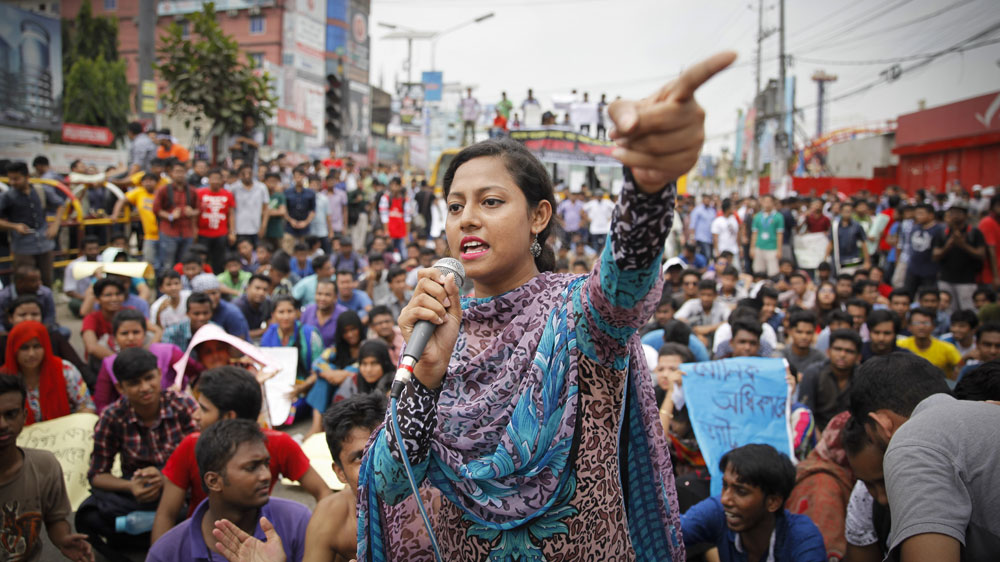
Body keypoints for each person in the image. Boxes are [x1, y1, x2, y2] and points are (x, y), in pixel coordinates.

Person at [357, 52, 734, 560]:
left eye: (490, 202)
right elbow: (387, 482)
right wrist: (427, 377)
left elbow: (624, 281)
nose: (467, 218)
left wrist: (647, 190)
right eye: (454, 206)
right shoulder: (434, 333)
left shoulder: (579, 313)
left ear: (539, 216)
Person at [847, 353, 1000, 562]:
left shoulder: (915, 439)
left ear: (882, 424)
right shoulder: (988, 414)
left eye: (870, 436)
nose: (882, 497)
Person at [151, 367, 329, 543]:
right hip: (203, 541)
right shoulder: (190, 446)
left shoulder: (280, 443)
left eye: (204, 409)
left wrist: (319, 547)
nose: (196, 416)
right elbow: (166, 514)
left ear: (229, 417)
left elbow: (324, 494)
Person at [76, 347, 198, 561]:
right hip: (138, 493)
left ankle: (150, 529)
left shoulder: (183, 405)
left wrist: (164, 477)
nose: (144, 388)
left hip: (180, 490)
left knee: (204, 506)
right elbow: (97, 475)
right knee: (88, 515)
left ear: (160, 375)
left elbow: (203, 459)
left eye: (149, 378)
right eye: (134, 383)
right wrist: (130, 486)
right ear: (120, 387)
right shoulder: (112, 416)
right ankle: (161, 530)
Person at [147, 419, 311, 562]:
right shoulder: (167, 552)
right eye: (251, 467)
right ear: (213, 481)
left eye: (266, 464)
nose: (266, 475)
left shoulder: (297, 522)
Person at [0, 374, 94, 562]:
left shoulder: (45, 466)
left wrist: (63, 539)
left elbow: (55, 519)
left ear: (24, 416)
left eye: (11, 414)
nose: (2, 424)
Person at [680, 444, 826, 562]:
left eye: (741, 491)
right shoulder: (718, 512)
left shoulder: (803, 539)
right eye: (725, 486)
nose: (725, 499)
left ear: (773, 502)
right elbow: (669, 532)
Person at [0, 320, 95, 424]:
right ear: (13, 350)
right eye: (24, 348)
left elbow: (86, 406)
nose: (31, 354)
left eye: (37, 346)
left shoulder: (65, 370)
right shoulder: (3, 379)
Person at [93, 309, 187, 414]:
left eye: (136, 332)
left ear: (145, 333)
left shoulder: (166, 352)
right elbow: (101, 404)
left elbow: (196, 371)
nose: (131, 338)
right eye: (124, 333)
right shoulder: (110, 364)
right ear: (115, 337)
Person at [261, 296, 324, 426]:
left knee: (289, 410)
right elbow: (264, 366)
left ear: (297, 313)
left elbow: (319, 369)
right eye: (281, 312)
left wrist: (301, 387)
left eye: (290, 311)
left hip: (303, 386)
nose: (286, 316)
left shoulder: (310, 334)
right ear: (273, 315)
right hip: (275, 386)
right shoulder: (268, 335)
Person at [0, 162, 62, 287]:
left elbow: (60, 204)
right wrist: (14, 226)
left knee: (46, 280)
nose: (12, 182)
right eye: (10, 179)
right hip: (23, 247)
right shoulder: (7, 196)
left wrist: (55, 225)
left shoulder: (41, 191)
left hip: (45, 244)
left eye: (16, 179)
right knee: (25, 283)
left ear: (27, 176)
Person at [305, 310, 364, 437]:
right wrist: (330, 373)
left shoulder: (367, 346)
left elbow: (364, 368)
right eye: (345, 332)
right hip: (333, 390)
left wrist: (344, 373)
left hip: (357, 391)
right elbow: (317, 362)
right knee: (324, 375)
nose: (350, 334)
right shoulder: (337, 348)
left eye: (353, 329)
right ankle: (316, 426)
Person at [799, 329, 862, 431]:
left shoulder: (862, 377)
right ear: (828, 351)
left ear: (858, 357)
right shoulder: (813, 373)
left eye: (849, 351)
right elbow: (806, 413)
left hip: (851, 435)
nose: (842, 355)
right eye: (838, 349)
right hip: (816, 433)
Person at [932, 202, 985, 313]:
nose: (955, 215)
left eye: (958, 213)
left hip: (967, 281)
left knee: (968, 310)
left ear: (965, 216)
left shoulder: (974, 233)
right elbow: (935, 256)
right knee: (947, 311)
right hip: (945, 279)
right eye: (952, 213)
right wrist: (948, 245)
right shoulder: (942, 233)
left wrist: (963, 245)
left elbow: (981, 255)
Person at [154, 161, 200, 269]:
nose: (179, 174)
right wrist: (170, 216)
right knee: (167, 263)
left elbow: (199, 209)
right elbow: (156, 209)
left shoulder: (192, 191)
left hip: (187, 232)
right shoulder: (164, 190)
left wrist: (192, 212)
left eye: (182, 172)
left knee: (184, 263)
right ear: (171, 173)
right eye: (177, 172)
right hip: (169, 231)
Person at [112, 172, 161, 270]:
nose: (148, 183)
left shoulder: (161, 192)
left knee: (164, 263)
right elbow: (122, 200)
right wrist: (115, 214)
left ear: (156, 182)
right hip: (149, 235)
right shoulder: (139, 192)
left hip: (165, 235)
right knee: (149, 263)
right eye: (145, 181)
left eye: (151, 181)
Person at [896, 307, 961, 379]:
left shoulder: (947, 348)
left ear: (933, 326)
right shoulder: (900, 346)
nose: (921, 327)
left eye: (926, 323)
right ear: (909, 326)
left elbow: (960, 366)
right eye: (916, 323)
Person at [196, 169, 237, 274]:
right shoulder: (200, 193)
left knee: (219, 261)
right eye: (213, 178)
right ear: (208, 180)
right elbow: (195, 213)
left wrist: (232, 232)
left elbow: (231, 214)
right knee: (201, 259)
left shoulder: (228, 194)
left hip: (221, 233)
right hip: (203, 233)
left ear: (222, 180)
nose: (215, 181)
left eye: (218, 179)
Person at [190, 274, 251, 341]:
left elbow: (239, 343)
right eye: (206, 294)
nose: (211, 298)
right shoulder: (191, 309)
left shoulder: (231, 313)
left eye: (214, 293)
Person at [0, 264, 58, 330]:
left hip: (40, 330)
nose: (39, 283)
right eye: (34, 281)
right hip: (10, 332)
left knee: (64, 332)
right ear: (20, 282)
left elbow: (50, 317)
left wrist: (40, 332)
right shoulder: (3, 297)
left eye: (39, 280)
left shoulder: (46, 293)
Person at [676, 279, 732, 347]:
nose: (705, 298)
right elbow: (678, 318)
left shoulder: (721, 306)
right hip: (693, 339)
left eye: (709, 295)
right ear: (698, 294)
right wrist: (695, 333)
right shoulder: (691, 304)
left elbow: (731, 320)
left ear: (715, 295)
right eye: (703, 294)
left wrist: (709, 328)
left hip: (716, 340)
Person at [903, 203, 943, 295]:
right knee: (908, 294)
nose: (918, 216)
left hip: (930, 270)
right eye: (916, 213)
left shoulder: (939, 230)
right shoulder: (915, 228)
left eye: (921, 213)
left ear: (931, 215)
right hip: (913, 268)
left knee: (928, 295)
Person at [228, 164, 270, 248]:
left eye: (249, 173)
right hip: (239, 229)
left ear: (253, 173)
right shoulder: (233, 188)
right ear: (239, 174)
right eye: (243, 173)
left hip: (256, 228)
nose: (247, 176)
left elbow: (266, 209)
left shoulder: (262, 187)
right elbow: (230, 211)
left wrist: (263, 226)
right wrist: (232, 231)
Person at [825, 201, 869, 276]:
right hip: (837, 259)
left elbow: (864, 243)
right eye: (845, 211)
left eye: (849, 211)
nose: (847, 213)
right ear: (841, 212)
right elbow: (831, 242)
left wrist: (867, 261)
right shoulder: (835, 226)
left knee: (849, 278)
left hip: (852, 259)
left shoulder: (857, 226)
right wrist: (825, 258)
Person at [63, 236, 103, 318]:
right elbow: (69, 291)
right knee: (73, 304)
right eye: (90, 249)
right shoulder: (73, 266)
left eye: (96, 249)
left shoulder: (105, 261)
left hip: (103, 298)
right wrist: (88, 299)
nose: (94, 252)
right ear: (83, 251)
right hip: (82, 299)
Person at [301, 279, 347, 349]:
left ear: (335, 297)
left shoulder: (344, 314)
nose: (322, 298)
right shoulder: (308, 311)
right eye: (319, 294)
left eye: (327, 295)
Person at [783, 310, 826, 375]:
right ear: (790, 331)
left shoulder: (820, 358)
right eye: (799, 332)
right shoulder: (781, 357)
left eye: (809, 333)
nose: (804, 337)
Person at [751, 194, 784, 277]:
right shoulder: (757, 216)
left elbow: (779, 235)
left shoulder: (778, 217)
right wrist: (752, 248)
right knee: (758, 271)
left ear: (773, 203)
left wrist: (779, 250)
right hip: (759, 246)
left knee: (773, 272)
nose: (767, 204)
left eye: (769, 201)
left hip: (772, 247)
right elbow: (754, 233)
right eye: (765, 201)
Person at [234, 274, 274, 341]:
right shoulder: (238, 306)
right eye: (257, 288)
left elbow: (271, 325)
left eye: (265, 289)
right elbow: (238, 334)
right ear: (248, 288)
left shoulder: (267, 303)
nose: (261, 292)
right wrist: (264, 331)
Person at [712, 198, 741, 270]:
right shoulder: (718, 221)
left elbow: (737, 234)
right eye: (732, 207)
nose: (734, 209)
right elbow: (715, 237)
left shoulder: (734, 219)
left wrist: (739, 247)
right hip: (722, 250)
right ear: (727, 208)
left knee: (735, 269)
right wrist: (717, 251)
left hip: (733, 250)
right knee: (722, 269)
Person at [689, 195, 717, 261]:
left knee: (709, 256)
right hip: (701, 237)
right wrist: (692, 237)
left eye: (708, 199)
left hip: (710, 238)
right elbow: (693, 224)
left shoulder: (712, 211)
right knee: (706, 255)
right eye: (706, 199)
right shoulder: (697, 210)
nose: (707, 201)